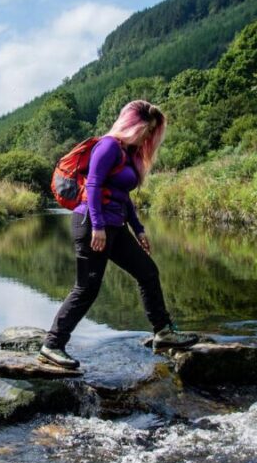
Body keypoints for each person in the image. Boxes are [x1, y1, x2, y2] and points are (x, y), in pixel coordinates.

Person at [39, 101, 197, 369]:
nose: (148, 137)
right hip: (92, 224)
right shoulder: (108, 146)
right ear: (132, 125)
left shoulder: (128, 154)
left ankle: (163, 332)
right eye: (146, 130)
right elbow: (93, 184)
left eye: (152, 132)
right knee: (87, 288)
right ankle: (52, 345)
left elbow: (122, 196)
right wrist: (98, 226)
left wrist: (139, 229)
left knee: (148, 272)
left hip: (115, 226)